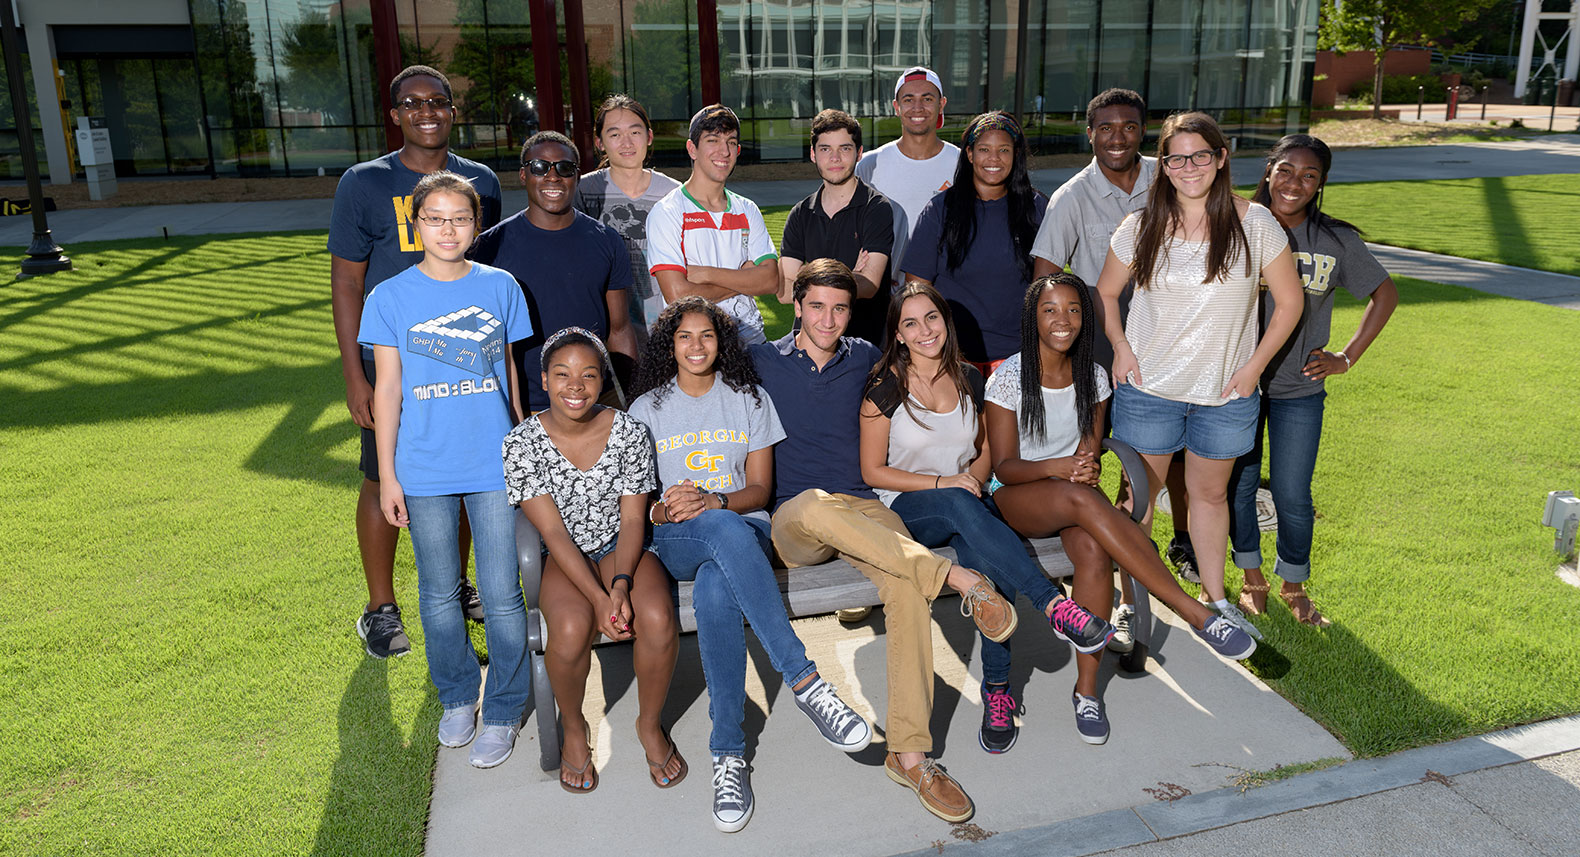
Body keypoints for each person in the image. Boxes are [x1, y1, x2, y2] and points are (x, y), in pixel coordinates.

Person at [751, 259, 1019, 824]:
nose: (828, 318)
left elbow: (936, 393)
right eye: (817, 305)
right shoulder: (763, 360)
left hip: (867, 511)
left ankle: (911, 755)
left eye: (840, 308)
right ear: (795, 306)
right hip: (797, 519)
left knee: (904, 593)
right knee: (816, 505)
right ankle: (956, 577)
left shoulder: (868, 361)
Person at [628, 297, 871, 833]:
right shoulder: (647, 410)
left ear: (723, 342)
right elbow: (637, 500)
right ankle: (805, 679)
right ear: (670, 345)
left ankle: (727, 755)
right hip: (676, 538)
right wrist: (666, 508)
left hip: (744, 527)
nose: (696, 346)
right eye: (685, 336)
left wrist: (714, 501)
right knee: (713, 534)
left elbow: (760, 490)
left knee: (718, 584)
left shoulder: (749, 399)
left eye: (707, 336)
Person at [986, 274, 1259, 744]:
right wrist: (1064, 467)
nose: (1062, 320)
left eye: (1073, 309)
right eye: (1050, 310)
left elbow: (1090, 450)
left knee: (1093, 550)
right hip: (1017, 498)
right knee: (1079, 499)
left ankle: (1087, 692)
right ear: (1033, 316)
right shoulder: (1008, 378)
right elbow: (1006, 467)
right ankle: (1196, 614)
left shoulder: (1093, 377)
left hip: (1075, 499)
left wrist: (1084, 467)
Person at [858, 281, 1115, 754]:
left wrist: (971, 480)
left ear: (944, 321)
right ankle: (1054, 605)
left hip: (965, 505)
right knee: (962, 507)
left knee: (988, 573)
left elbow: (982, 453)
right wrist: (947, 486)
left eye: (931, 318)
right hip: (907, 511)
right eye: (910, 323)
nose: (924, 330)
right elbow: (873, 470)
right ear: (897, 334)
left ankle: (997, 691)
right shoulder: (885, 389)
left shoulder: (969, 380)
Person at [1094, 111, 1304, 641]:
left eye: (1200, 155)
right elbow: (1105, 292)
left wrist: (1253, 367)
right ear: (1162, 165)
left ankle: (1215, 602)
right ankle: (1128, 604)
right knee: (1137, 502)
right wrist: (1120, 346)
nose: (1189, 167)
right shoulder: (1140, 225)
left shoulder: (1256, 223)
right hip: (1149, 392)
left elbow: (1290, 301)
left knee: (1210, 500)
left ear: (1221, 158)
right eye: (1176, 157)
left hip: (1225, 396)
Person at [357, 170, 532, 767]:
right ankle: (457, 696)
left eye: (460, 217)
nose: (448, 229)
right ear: (416, 226)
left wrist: (524, 447)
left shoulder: (501, 286)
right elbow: (386, 391)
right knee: (438, 593)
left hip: (493, 462)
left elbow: (511, 373)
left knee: (505, 593)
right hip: (423, 465)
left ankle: (506, 707)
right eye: (434, 218)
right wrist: (389, 476)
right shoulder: (389, 297)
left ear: (476, 225)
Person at [330, 64, 503, 658]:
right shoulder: (363, 183)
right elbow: (347, 284)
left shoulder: (480, 179)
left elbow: (489, 275)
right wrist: (355, 372)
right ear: (396, 113)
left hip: (462, 361)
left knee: (457, 476)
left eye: (438, 102)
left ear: (453, 110)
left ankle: (454, 589)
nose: (426, 111)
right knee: (382, 477)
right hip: (393, 364)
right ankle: (380, 607)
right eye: (413, 102)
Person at [503, 328, 683, 794]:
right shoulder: (521, 443)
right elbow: (553, 532)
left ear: (602, 379)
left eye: (588, 375)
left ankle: (648, 724)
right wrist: (599, 599)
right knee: (566, 629)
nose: (575, 386)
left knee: (659, 617)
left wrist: (620, 586)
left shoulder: (628, 432)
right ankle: (576, 728)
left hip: (619, 544)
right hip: (564, 556)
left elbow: (632, 519)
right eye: (562, 375)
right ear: (544, 380)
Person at [1229, 134, 1398, 627]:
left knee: (1292, 493)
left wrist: (1345, 356)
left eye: (1309, 175)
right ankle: (1251, 578)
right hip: (1235, 385)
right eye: (1285, 170)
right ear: (1268, 171)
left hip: (1298, 389)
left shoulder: (1335, 241)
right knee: (1238, 487)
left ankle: (1294, 584)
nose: (1294, 183)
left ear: (1321, 183)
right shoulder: (1237, 226)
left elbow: (1383, 295)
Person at [1028, 87, 1164, 656]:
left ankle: (1133, 596)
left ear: (1142, 130)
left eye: (1128, 127)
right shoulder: (1071, 197)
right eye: (1105, 127)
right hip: (1104, 354)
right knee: (1104, 467)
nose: (1116, 137)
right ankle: (1123, 597)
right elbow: (1042, 274)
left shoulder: (1169, 178)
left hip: (1170, 346)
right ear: (1090, 133)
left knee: (1143, 478)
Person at [472, 131, 637, 412]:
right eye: (539, 167)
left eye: (564, 168)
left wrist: (633, 400)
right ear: (524, 175)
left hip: (597, 397)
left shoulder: (607, 240)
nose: (552, 176)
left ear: (576, 176)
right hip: (527, 403)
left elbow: (619, 330)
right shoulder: (489, 247)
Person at [902, 111, 1046, 369]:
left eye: (1003, 150)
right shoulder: (940, 209)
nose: (994, 158)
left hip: (1018, 356)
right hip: (953, 357)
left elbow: (1047, 287)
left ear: (1015, 156)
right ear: (969, 154)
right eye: (984, 149)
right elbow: (917, 291)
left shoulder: (1036, 208)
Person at [647, 105, 778, 345]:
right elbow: (677, 295)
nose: (724, 151)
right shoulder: (668, 212)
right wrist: (744, 280)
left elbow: (770, 280)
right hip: (698, 344)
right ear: (692, 149)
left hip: (751, 338)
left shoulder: (747, 209)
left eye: (731, 142)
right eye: (713, 140)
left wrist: (704, 274)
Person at [778, 108, 896, 346]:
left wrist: (805, 277)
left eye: (844, 148)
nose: (835, 158)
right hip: (807, 346)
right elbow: (782, 292)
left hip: (863, 345)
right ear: (813, 154)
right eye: (825, 149)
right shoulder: (800, 214)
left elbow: (869, 285)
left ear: (859, 153)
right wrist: (849, 275)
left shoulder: (876, 208)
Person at [575, 95, 683, 349]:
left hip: (665, 326)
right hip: (605, 327)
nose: (626, 143)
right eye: (614, 134)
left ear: (649, 137)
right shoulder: (583, 191)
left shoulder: (674, 194)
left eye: (635, 132)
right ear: (600, 143)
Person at [856, 66, 959, 292]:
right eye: (909, 99)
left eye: (927, 98)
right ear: (896, 107)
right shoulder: (868, 165)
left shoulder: (963, 164)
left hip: (946, 293)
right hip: (882, 296)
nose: (918, 107)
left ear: (942, 104)